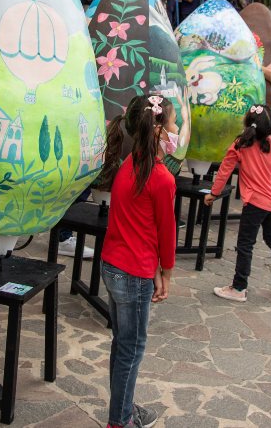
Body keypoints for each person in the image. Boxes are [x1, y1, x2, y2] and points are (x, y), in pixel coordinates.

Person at [99, 94, 177, 428]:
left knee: (123, 345)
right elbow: (167, 231)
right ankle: (120, 421)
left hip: (112, 266)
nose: (176, 129)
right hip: (133, 273)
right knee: (132, 349)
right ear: (158, 129)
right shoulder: (161, 178)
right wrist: (166, 273)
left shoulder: (129, 165)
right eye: (172, 122)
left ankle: (125, 409)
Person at [206, 104, 271, 301]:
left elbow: (224, 171)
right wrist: (270, 177)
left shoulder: (240, 144)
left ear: (247, 122)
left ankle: (239, 288)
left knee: (245, 245)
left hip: (254, 203)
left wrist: (214, 193)